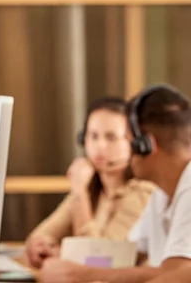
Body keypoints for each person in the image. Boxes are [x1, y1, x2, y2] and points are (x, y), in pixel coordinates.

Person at [40, 84, 191, 283]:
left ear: (146, 146)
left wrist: (79, 274)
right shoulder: (161, 195)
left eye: (127, 141)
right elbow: (124, 257)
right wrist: (66, 258)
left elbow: (177, 275)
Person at [25, 97, 155, 268]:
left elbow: (101, 261)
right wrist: (41, 246)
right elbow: (42, 235)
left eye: (111, 137)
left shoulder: (142, 193)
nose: (99, 146)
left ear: (135, 144)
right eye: (93, 136)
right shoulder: (92, 187)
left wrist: (79, 194)